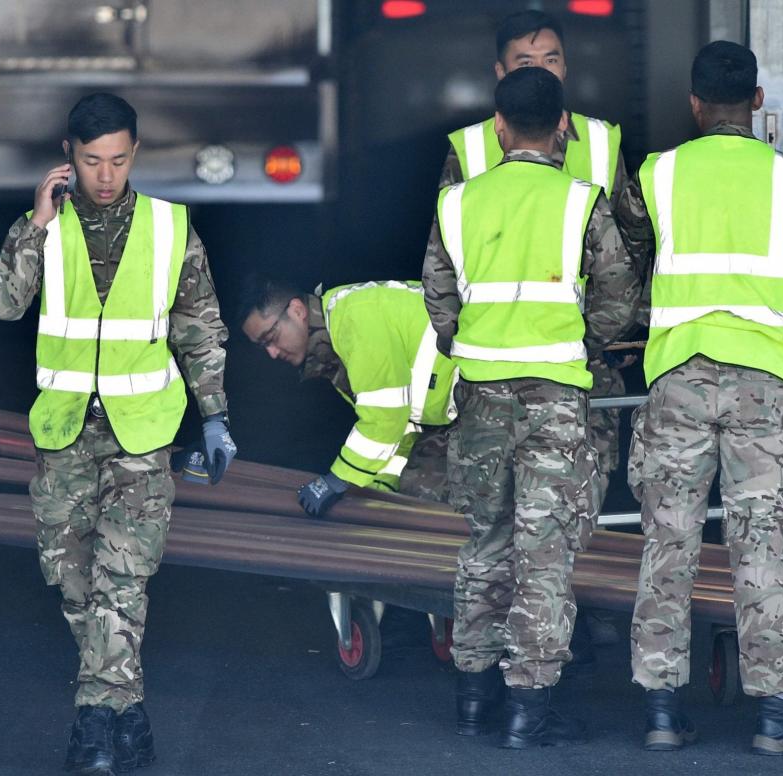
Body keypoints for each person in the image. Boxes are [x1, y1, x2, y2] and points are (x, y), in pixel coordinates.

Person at [0, 92, 237, 774]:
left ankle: (94, 725)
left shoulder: (169, 227)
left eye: (118, 160)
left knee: (121, 578)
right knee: (71, 581)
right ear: (68, 156)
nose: (105, 175)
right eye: (92, 160)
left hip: (143, 432)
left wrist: (214, 415)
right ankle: (130, 712)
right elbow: (2, 303)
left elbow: (199, 325)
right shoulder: (46, 225)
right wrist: (34, 225)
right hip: (65, 432)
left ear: (135, 155)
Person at [618, 41, 783, 755]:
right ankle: (778, 716)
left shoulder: (657, 176)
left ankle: (661, 710)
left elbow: (622, 271)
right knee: (761, 544)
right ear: (756, 102)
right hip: (764, 382)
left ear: (693, 104)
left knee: (668, 539)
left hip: (677, 376)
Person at [423, 66, 638, 748]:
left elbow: (437, 296)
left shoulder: (458, 203)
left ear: (500, 126)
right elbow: (618, 297)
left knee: (484, 542)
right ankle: (527, 709)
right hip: (554, 397)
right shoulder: (582, 201)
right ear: (564, 127)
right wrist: (582, 339)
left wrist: (477, 344)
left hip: (481, 397)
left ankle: (471, 697)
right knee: (544, 556)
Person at [439, 9, 635, 515]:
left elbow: (630, 248)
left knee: (583, 499)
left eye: (551, 59)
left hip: (587, 361)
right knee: (501, 515)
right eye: (526, 61)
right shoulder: (468, 148)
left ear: (567, 67)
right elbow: (445, 260)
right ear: (500, 73)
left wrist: (607, 337)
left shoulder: (600, 141)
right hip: (492, 366)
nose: (542, 70)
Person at [237, 277, 458, 508]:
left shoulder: (355, 318)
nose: (272, 353)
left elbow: (384, 420)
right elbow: (401, 430)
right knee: (418, 493)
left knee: (453, 502)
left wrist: (339, 479)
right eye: (263, 347)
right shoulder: (336, 348)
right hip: (470, 409)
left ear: (297, 310)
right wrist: (380, 488)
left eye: (271, 338)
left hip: (489, 394)